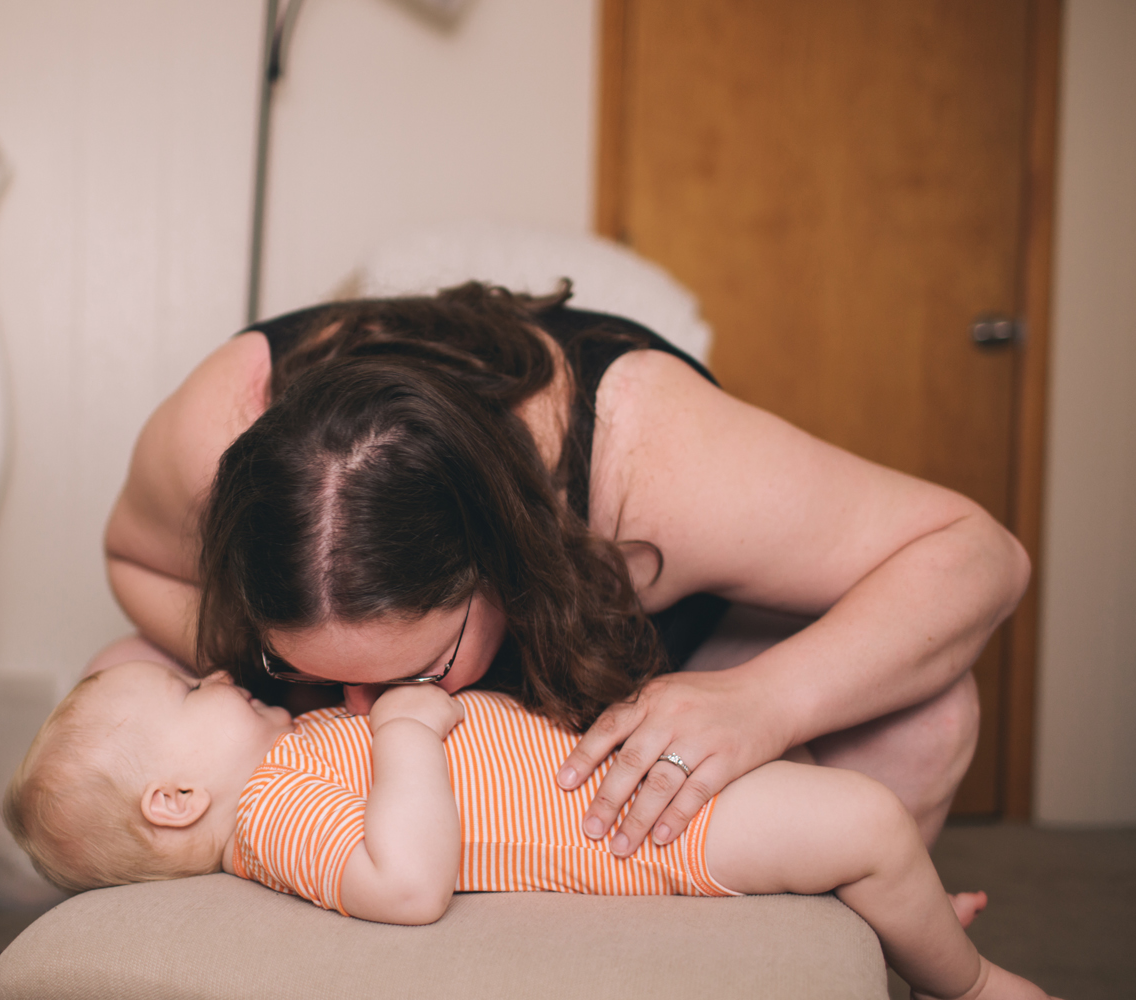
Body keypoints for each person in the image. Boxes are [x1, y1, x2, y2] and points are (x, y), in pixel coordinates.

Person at [102, 282, 1029, 855]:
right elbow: (129, 556)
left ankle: (871, 929)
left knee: (927, 710)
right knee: (117, 686)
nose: (367, 717)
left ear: (506, 567)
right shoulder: (215, 428)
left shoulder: (656, 460)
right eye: (316, 668)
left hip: (640, 655)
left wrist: (764, 701)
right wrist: (266, 679)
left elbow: (979, 554)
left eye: (413, 674)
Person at [3, 659, 1050, 1000]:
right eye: (194, 687)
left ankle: (911, 922)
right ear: (175, 801)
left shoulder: (282, 760)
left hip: (610, 775)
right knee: (864, 820)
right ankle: (970, 979)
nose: (221, 671)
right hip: (641, 834)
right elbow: (406, 882)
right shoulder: (270, 815)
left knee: (826, 808)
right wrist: (407, 730)